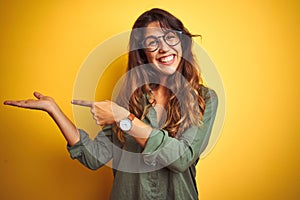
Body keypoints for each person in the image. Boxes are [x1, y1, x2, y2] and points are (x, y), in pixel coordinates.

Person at [4, 8, 218, 200]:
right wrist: (54, 110)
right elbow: (94, 156)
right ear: (143, 54)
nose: (163, 48)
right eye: (153, 42)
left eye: (170, 37)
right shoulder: (129, 100)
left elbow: (181, 159)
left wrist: (124, 118)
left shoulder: (204, 99)